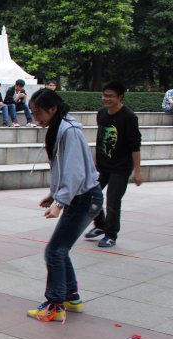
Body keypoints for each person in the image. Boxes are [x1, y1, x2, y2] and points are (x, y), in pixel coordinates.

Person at [26, 88, 103, 322]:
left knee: (54, 251)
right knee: (60, 249)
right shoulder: (60, 128)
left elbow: (74, 172)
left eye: (38, 113)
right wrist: (54, 194)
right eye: (32, 113)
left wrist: (60, 202)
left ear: (53, 109)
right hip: (83, 197)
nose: (35, 118)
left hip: (85, 198)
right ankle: (71, 297)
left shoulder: (68, 131)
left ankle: (55, 304)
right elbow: (62, 169)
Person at [84, 81, 143, 248]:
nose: (106, 99)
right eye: (105, 95)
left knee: (112, 201)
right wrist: (95, 162)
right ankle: (101, 225)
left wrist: (138, 171)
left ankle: (110, 235)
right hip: (102, 165)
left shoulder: (129, 117)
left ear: (120, 97)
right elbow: (100, 138)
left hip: (121, 167)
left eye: (111, 96)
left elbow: (135, 145)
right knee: (88, 194)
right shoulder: (102, 113)